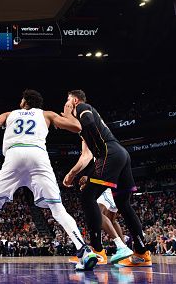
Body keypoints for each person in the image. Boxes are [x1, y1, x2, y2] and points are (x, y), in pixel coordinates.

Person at [0, 89, 98, 271]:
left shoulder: (10, 114)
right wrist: (67, 114)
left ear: (24, 101)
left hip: (14, 156)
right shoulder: (46, 114)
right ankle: (84, 249)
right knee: (58, 209)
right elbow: (77, 127)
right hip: (38, 156)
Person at [63, 90, 150, 267]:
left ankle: (98, 251)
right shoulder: (83, 132)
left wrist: (67, 116)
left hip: (110, 152)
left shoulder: (82, 107)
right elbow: (86, 157)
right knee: (124, 205)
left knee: (88, 197)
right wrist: (73, 173)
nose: (66, 104)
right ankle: (142, 253)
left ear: (75, 99)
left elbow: (86, 122)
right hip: (120, 155)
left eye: (68, 100)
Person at [64, 148, 133, 265]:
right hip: (112, 184)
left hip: (107, 186)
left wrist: (83, 178)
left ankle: (100, 251)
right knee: (111, 220)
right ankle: (124, 251)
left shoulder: (99, 143)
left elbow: (102, 167)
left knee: (96, 213)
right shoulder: (107, 146)